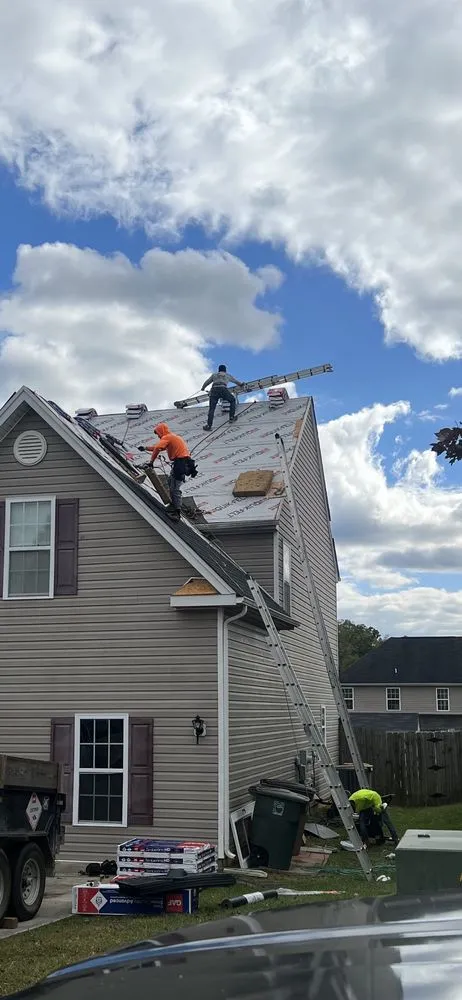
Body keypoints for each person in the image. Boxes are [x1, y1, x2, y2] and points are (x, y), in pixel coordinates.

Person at [139, 423, 197, 521]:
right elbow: (158, 447)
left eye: (158, 434)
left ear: (161, 431)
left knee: (175, 488)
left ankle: (177, 512)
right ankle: (173, 506)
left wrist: (151, 462)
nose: (158, 436)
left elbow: (157, 448)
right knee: (171, 482)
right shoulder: (172, 437)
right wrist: (145, 448)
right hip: (182, 463)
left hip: (180, 465)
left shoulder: (167, 437)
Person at [201, 365, 245, 431]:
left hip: (214, 390)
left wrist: (203, 388)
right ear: (225, 370)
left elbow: (207, 382)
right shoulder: (227, 375)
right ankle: (231, 417)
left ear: (219, 370)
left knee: (212, 408)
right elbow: (235, 381)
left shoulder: (214, 375)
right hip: (223, 389)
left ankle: (209, 426)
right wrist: (241, 384)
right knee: (232, 400)